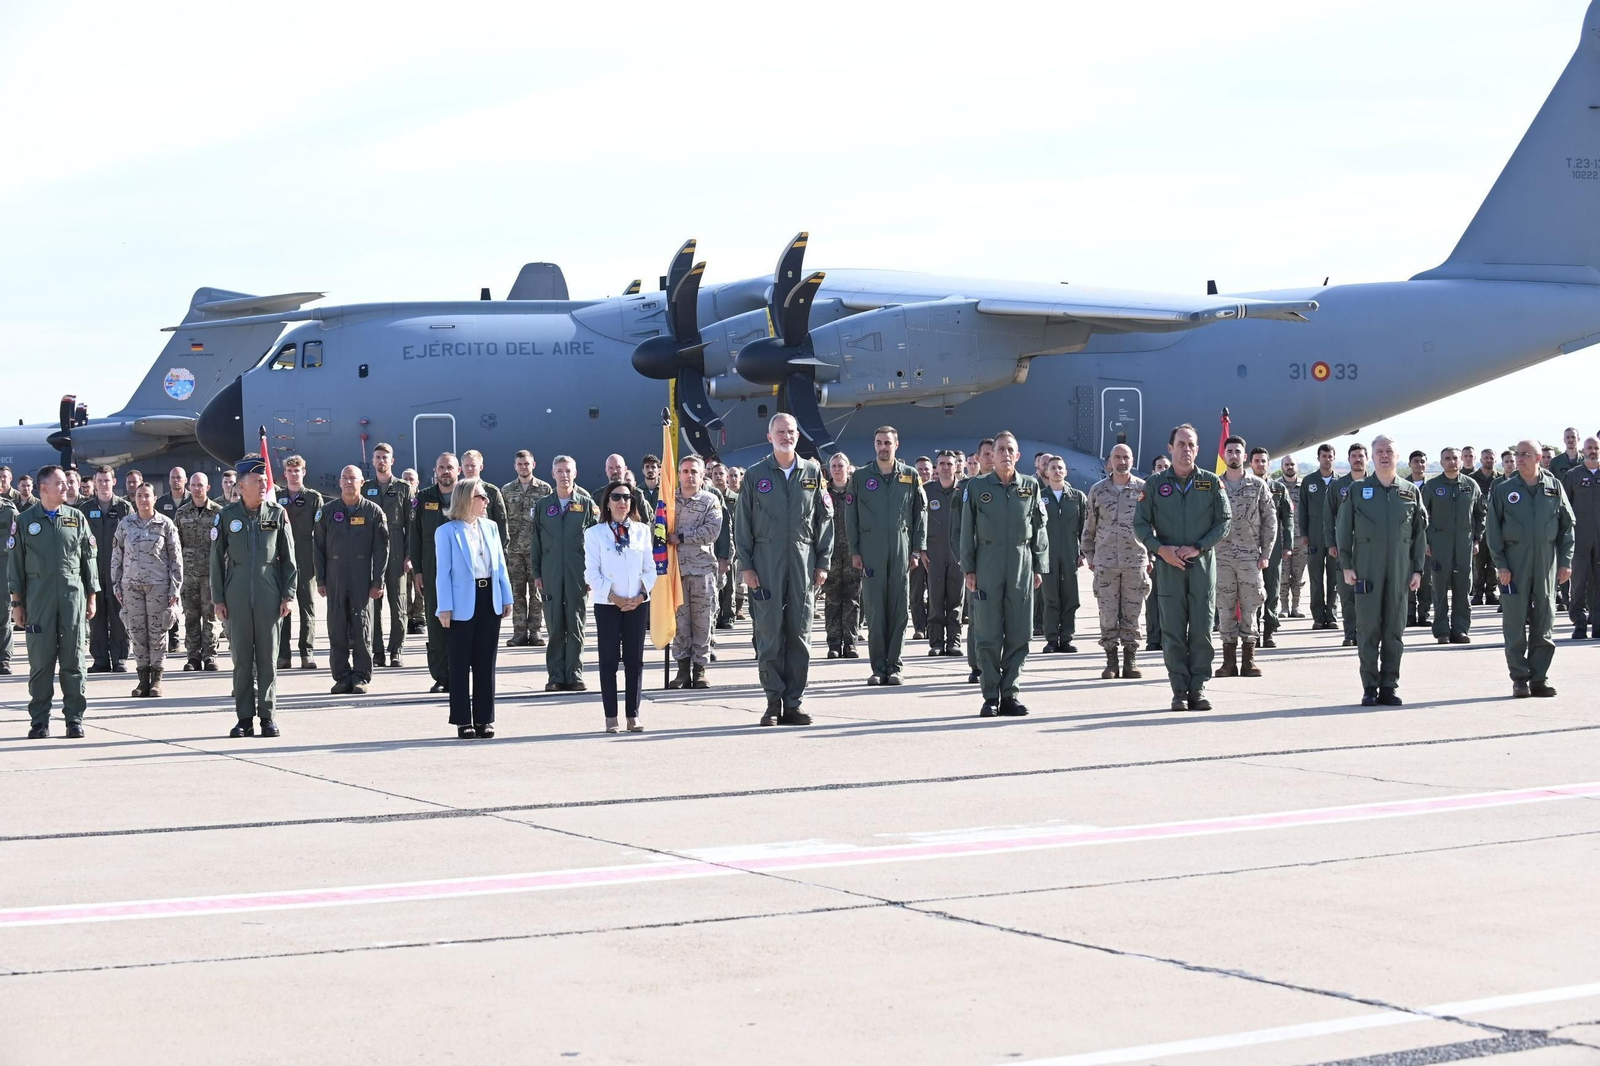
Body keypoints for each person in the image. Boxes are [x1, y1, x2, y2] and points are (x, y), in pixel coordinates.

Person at [737, 413, 833, 725]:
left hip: (803, 561)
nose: (786, 436)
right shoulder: (755, 475)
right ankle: (772, 701)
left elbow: (824, 519)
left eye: (791, 431)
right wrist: (747, 566)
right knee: (769, 634)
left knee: (800, 634)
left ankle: (793, 703)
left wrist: (822, 562)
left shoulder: (812, 472)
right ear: (769, 437)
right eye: (780, 431)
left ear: (797, 435)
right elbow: (743, 525)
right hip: (765, 562)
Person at [1135, 424, 1233, 711]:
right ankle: (1179, 690)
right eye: (1181, 444)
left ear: (1198, 449)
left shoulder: (1211, 483)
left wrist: (1200, 546)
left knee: (1202, 630)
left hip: (1201, 567)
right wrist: (1159, 549)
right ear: (1170, 448)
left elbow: (1225, 521)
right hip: (1169, 568)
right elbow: (1140, 523)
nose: (1186, 449)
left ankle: (1198, 688)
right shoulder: (1154, 484)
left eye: (1191, 444)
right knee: (1173, 632)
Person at [960, 431, 1047, 716]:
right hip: (988, 562)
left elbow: (1039, 528)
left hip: (1021, 563)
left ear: (1018, 456)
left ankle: (1010, 693)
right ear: (991, 455)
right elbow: (966, 531)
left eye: (1011, 450)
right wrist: (969, 568)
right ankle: (990, 697)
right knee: (987, 633)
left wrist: (1038, 565)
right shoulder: (976, 487)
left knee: (1020, 632)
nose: (1005, 454)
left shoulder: (1031, 486)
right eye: (1000, 450)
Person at [1335, 436, 1426, 706]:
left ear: (1398, 457)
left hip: (1400, 569)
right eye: (1379, 452)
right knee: (1368, 629)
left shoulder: (1410, 491)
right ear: (1372, 457)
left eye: (1389, 451)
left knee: (1394, 630)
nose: (1384, 456)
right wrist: (1347, 565)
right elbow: (1343, 530)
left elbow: (1420, 533)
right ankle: (1369, 687)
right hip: (1366, 569)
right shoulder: (1358, 489)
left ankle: (1389, 685)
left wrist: (1418, 569)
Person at [8, 466, 97, 737]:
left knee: (74, 660)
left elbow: (88, 559)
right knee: (41, 662)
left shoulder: (77, 518)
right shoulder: (24, 522)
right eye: (60, 483)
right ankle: (39, 720)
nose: (67, 487)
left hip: (72, 598)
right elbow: (16, 564)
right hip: (38, 600)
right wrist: (17, 603)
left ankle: (74, 719)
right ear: (44, 488)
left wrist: (91, 596)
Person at [212, 457, 297, 738]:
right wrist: (218, 598)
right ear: (241, 485)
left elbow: (289, 559)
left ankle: (268, 716)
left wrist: (288, 594)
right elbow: (215, 560)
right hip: (236, 591)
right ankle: (244, 718)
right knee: (241, 659)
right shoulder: (227, 516)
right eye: (257, 481)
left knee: (268, 658)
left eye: (264, 481)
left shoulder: (277, 513)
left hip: (269, 590)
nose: (264, 485)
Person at [1485, 439, 1575, 698]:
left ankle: (1539, 677)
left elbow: (1567, 526)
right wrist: (1500, 565)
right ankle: (1519, 678)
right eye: (1517, 454)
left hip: (1546, 561)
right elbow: (1493, 530)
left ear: (1538, 458)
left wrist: (1566, 561)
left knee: (1544, 620)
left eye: (1526, 454)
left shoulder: (1553, 486)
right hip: (1514, 564)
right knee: (1514, 623)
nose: (1520, 458)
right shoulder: (1504, 490)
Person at [846, 426, 927, 686]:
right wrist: (855, 550)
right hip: (871, 551)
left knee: (899, 610)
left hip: (902, 550)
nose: (883, 447)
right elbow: (851, 517)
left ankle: (895, 666)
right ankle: (878, 668)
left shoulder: (910, 476)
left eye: (888, 443)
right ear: (874, 445)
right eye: (879, 442)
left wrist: (916, 549)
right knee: (875, 610)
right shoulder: (859, 477)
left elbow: (920, 514)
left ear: (896, 444)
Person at [435, 477, 513, 737]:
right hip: (460, 603)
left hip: (488, 596)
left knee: (485, 662)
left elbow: (499, 565)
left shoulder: (490, 527)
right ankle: (462, 720)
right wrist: (444, 607)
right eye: (481, 497)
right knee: (459, 663)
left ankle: (484, 719)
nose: (486, 501)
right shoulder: (446, 532)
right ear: (466, 499)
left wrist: (506, 596)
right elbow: (442, 573)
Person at [584, 481, 657, 732]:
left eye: (627, 497)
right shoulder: (594, 534)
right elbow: (591, 573)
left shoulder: (642, 532)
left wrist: (640, 594)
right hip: (608, 605)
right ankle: (611, 716)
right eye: (616, 497)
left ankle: (633, 714)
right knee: (608, 661)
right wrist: (613, 596)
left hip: (637, 604)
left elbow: (650, 568)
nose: (622, 502)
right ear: (607, 501)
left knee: (635, 661)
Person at [315, 465, 390, 695]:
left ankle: (360, 677)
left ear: (361, 483)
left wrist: (378, 581)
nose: (348, 482)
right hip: (336, 576)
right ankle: (341, 677)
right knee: (336, 627)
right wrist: (321, 579)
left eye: (353, 478)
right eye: (345, 478)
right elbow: (317, 547)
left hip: (362, 577)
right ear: (339, 482)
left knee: (362, 626)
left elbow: (382, 548)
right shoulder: (327, 512)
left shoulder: (373, 512)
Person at [531, 455, 599, 691]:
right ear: (552, 474)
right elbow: (536, 542)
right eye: (559, 471)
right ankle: (556, 676)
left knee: (576, 624)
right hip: (550, 573)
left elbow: (595, 542)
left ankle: (575, 674)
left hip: (577, 572)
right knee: (555, 625)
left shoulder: (586, 504)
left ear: (575, 474)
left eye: (568, 471)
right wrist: (537, 572)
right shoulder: (542, 506)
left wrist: (593, 573)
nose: (564, 475)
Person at [111, 482, 183, 698]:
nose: (143, 500)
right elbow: (117, 555)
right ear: (135, 499)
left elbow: (175, 557)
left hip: (158, 586)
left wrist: (175, 588)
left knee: (158, 633)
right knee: (137, 633)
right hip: (131, 586)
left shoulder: (165, 524)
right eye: (139, 496)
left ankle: (157, 680)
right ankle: (142, 679)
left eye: (147, 496)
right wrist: (117, 584)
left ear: (154, 498)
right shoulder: (125, 524)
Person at [1083, 443, 1148, 680]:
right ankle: (1111, 661)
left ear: (1132, 460)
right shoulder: (1098, 491)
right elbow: (1089, 527)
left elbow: (1151, 526)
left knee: (1132, 612)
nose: (1121, 462)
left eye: (1126, 457)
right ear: (1110, 462)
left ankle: (1131, 661)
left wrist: (1150, 556)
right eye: (1117, 458)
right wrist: (1091, 557)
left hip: (1135, 561)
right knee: (1107, 613)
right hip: (1106, 563)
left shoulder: (1143, 490)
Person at [1215, 436, 1274, 678]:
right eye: (1229, 451)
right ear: (1224, 456)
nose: (1233, 455)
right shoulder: (1213, 485)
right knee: (1225, 608)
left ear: (1244, 456)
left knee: (1250, 606)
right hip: (1221, 557)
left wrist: (1266, 553)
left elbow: (1270, 520)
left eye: (1238, 451)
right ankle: (1228, 661)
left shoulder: (1258, 485)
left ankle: (1249, 660)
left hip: (1250, 556)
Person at [666, 455, 723, 689]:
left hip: (702, 571)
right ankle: (682, 670)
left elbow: (712, 531)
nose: (689, 475)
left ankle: (700, 669)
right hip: (675, 571)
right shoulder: (668, 501)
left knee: (702, 620)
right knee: (680, 622)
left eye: (694, 471)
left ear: (702, 476)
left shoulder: (711, 500)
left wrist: (681, 537)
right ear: (678, 474)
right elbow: (657, 528)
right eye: (685, 471)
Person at [1423, 447, 1486, 644]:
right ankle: (1441, 630)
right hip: (1439, 543)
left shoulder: (1471, 485)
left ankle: (1460, 629)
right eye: (1447, 458)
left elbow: (1480, 513)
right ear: (1441, 462)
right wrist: (1425, 541)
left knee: (1463, 587)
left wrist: (1477, 538)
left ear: (1462, 461)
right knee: (1440, 589)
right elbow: (1421, 516)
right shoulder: (1432, 486)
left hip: (1464, 543)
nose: (1452, 462)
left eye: (1455, 458)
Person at [410, 452, 459, 694]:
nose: (445, 471)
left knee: (461, 622)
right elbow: (415, 536)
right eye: (441, 467)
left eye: (450, 467)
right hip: (432, 566)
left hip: (461, 568)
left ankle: (460, 673)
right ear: (435, 471)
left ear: (457, 471)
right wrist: (418, 570)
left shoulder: (466, 496)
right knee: (435, 621)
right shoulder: (424, 497)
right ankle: (441, 675)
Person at [363, 443, 413, 668]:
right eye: (377, 457)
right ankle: (377, 650)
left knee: (398, 603)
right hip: (372, 551)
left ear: (392, 461)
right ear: (372, 461)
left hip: (396, 549)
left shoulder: (403, 488)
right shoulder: (366, 488)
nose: (381, 461)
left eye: (385, 457)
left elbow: (412, 525)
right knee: (373, 603)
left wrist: (409, 554)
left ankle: (396, 650)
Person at [953, 438, 998, 682]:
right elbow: (957, 531)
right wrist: (966, 564)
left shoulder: (1016, 486)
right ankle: (977, 665)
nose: (991, 458)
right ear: (977, 459)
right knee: (977, 616)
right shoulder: (967, 489)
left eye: (994, 453)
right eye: (987, 454)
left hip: (1003, 563)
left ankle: (998, 663)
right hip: (978, 565)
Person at [82, 466, 132, 673]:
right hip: (94, 570)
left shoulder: (124, 508)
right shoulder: (84, 509)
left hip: (118, 572)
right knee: (97, 617)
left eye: (107, 480)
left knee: (119, 615)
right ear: (94, 483)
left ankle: (120, 658)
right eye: (100, 481)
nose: (103, 484)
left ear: (114, 483)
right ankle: (100, 660)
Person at [276, 456, 325, 670]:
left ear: (304, 472)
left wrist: (321, 563)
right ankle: (283, 655)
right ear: (284, 473)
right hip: (281, 559)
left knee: (307, 607)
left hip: (306, 557)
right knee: (282, 607)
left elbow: (321, 532)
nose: (293, 474)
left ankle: (307, 653)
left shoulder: (314, 498)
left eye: (297, 470)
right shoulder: (275, 498)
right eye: (290, 470)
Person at [501, 449, 552, 648]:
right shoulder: (506, 490)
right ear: (515, 466)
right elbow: (502, 520)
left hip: (536, 550)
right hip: (514, 550)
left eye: (527, 463)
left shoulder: (544, 489)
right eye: (520, 464)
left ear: (534, 465)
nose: (524, 467)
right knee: (517, 592)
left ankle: (536, 631)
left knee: (537, 592)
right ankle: (519, 632)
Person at [176, 473, 224, 671]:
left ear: (208, 487)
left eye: (200, 485)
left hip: (211, 575)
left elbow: (224, 546)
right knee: (191, 617)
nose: (197, 489)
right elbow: (176, 545)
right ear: (189, 486)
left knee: (211, 616)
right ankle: (193, 656)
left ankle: (210, 655)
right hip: (188, 575)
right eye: (193, 485)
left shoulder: (219, 513)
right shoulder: (181, 513)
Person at [1039, 455, 1086, 654]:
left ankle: (1066, 638)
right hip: (1047, 555)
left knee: (1069, 597)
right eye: (1053, 468)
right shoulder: (1039, 496)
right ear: (1046, 472)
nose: (1057, 471)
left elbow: (1086, 526)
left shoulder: (1077, 497)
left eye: (1060, 468)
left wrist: (1082, 552)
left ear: (1066, 472)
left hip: (1069, 554)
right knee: (1050, 598)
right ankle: (1051, 639)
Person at [1325, 442, 1370, 647]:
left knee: (1370, 593)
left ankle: (1368, 633)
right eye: (1354, 456)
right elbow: (1328, 517)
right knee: (1347, 593)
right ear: (1349, 459)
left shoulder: (1377, 483)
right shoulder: (1337, 485)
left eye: (1361, 456)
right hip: (1345, 547)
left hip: (1371, 548)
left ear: (1366, 459)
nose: (1358, 459)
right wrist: (1331, 543)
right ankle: (1350, 634)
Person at [924, 450, 964, 656]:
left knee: (956, 599)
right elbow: (917, 522)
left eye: (950, 464)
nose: (946, 467)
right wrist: (920, 549)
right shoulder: (926, 491)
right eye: (942, 464)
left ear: (957, 466)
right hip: (934, 551)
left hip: (958, 552)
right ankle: (936, 642)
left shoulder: (965, 490)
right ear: (936, 467)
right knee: (935, 598)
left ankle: (954, 641)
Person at [822, 452, 862, 658]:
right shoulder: (822, 493)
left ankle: (850, 642)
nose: (837, 469)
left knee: (852, 599)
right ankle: (833, 644)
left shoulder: (856, 491)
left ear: (848, 468)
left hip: (852, 552)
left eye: (841, 465)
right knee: (832, 599)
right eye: (834, 466)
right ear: (829, 470)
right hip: (829, 553)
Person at [1561, 436, 1600, 638]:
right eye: (1589, 448)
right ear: (1583, 450)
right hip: (1579, 539)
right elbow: (1563, 508)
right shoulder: (1573, 475)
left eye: (1596, 448)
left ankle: (1598, 623)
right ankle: (1579, 624)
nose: (1593, 451)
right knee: (1578, 584)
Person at [1298, 444, 1340, 631]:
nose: (1327, 459)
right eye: (1324, 456)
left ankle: (1331, 615)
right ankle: (1317, 616)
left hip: (1336, 536)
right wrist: (1304, 533)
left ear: (1334, 458)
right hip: (1315, 535)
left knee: (1334, 579)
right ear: (1318, 458)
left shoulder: (1341, 482)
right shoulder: (1309, 481)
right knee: (1316, 578)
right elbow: (1302, 509)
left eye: (1330, 456)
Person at [1254, 449, 1292, 647]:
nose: (1260, 464)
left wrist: (1288, 545)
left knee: (1272, 589)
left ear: (1269, 464)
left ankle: (1269, 630)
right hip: (1249, 547)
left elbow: (1288, 518)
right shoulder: (1247, 486)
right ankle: (1253, 632)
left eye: (1263, 461)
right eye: (1257, 461)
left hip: (1274, 548)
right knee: (1252, 591)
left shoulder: (1279, 488)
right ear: (1251, 464)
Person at [155, 466, 188, 652]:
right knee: (170, 599)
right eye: (173, 477)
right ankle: (173, 638)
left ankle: (198, 641)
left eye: (179, 478)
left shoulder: (193, 500)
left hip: (190, 558)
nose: (176, 480)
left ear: (185, 480)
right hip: (167, 559)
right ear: (169, 480)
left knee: (193, 603)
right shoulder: (161, 503)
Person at [1144, 453, 1172, 650]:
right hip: (1152, 553)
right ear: (1153, 470)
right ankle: (1154, 638)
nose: (1162, 468)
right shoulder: (1146, 491)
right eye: (1159, 466)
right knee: (1152, 599)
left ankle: (1171, 637)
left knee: (1172, 598)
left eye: (1165, 466)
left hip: (1172, 552)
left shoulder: (1176, 490)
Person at [1406, 450, 1434, 628]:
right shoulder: (1402, 485)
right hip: (1407, 540)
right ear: (1410, 464)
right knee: (1407, 577)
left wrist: (1429, 541)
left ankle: (1424, 613)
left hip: (1428, 541)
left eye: (1422, 461)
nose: (1419, 464)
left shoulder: (1431, 487)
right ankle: (1409, 614)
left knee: (1427, 579)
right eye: (1415, 461)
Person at [460, 450, 509, 548]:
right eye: (466, 465)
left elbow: (501, 523)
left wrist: (502, 552)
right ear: (461, 468)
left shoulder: (492, 492)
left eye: (473, 465)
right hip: (463, 544)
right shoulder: (457, 492)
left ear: (481, 467)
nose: (469, 468)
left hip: (486, 545)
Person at [1470, 448, 1499, 604]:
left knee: (1494, 561)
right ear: (1480, 460)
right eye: (1486, 457)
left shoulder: (1500, 480)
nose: (1489, 460)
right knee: (1478, 561)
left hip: (1495, 526)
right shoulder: (1472, 480)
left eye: (1491, 457)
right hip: (1478, 526)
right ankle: (1478, 592)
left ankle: (1491, 592)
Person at [1278, 456, 1306, 618]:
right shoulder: (1275, 486)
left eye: (1292, 464)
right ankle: (1283, 606)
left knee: (1298, 575)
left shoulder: (1305, 486)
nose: (1289, 467)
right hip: (1281, 538)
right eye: (1286, 464)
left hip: (1301, 539)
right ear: (1282, 466)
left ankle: (1296, 606)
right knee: (1283, 575)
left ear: (1297, 466)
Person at [401, 468, 426, 634]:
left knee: (420, 587)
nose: (409, 481)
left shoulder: (422, 499)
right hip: (401, 551)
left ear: (417, 482)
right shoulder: (400, 500)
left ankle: (419, 619)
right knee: (405, 588)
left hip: (419, 551)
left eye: (412, 479)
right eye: (405, 479)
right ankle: (408, 618)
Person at [0, 486, 15, 674]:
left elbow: (17, 542)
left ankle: (3, 659)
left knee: (4, 613)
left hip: (4, 568)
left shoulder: (9, 511)